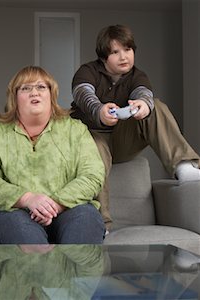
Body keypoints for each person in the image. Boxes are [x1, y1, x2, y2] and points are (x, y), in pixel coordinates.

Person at [70, 24, 200, 229]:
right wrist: (99, 110)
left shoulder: (138, 76)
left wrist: (143, 106)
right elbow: (83, 95)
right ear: (104, 57)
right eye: (115, 52)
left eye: (128, 50)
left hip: (124, 141)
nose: (124, 57)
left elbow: (143, 93)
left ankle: (183, 165)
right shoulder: (87, 71)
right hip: (93, 137)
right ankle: (100, 224)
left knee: (155, 105)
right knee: (94, 146)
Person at [0, 66, 105, 244]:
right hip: (13, 214)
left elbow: (92, 175)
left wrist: (55, 204)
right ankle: (44, 270)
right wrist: (27, 199)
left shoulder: (76, 129)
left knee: (86, 218)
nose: (34, 93)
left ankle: (74, 273)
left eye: (41, 87)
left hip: (68, 209)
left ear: (51, 94)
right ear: (14, 97)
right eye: (25, 88)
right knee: (21, 232)